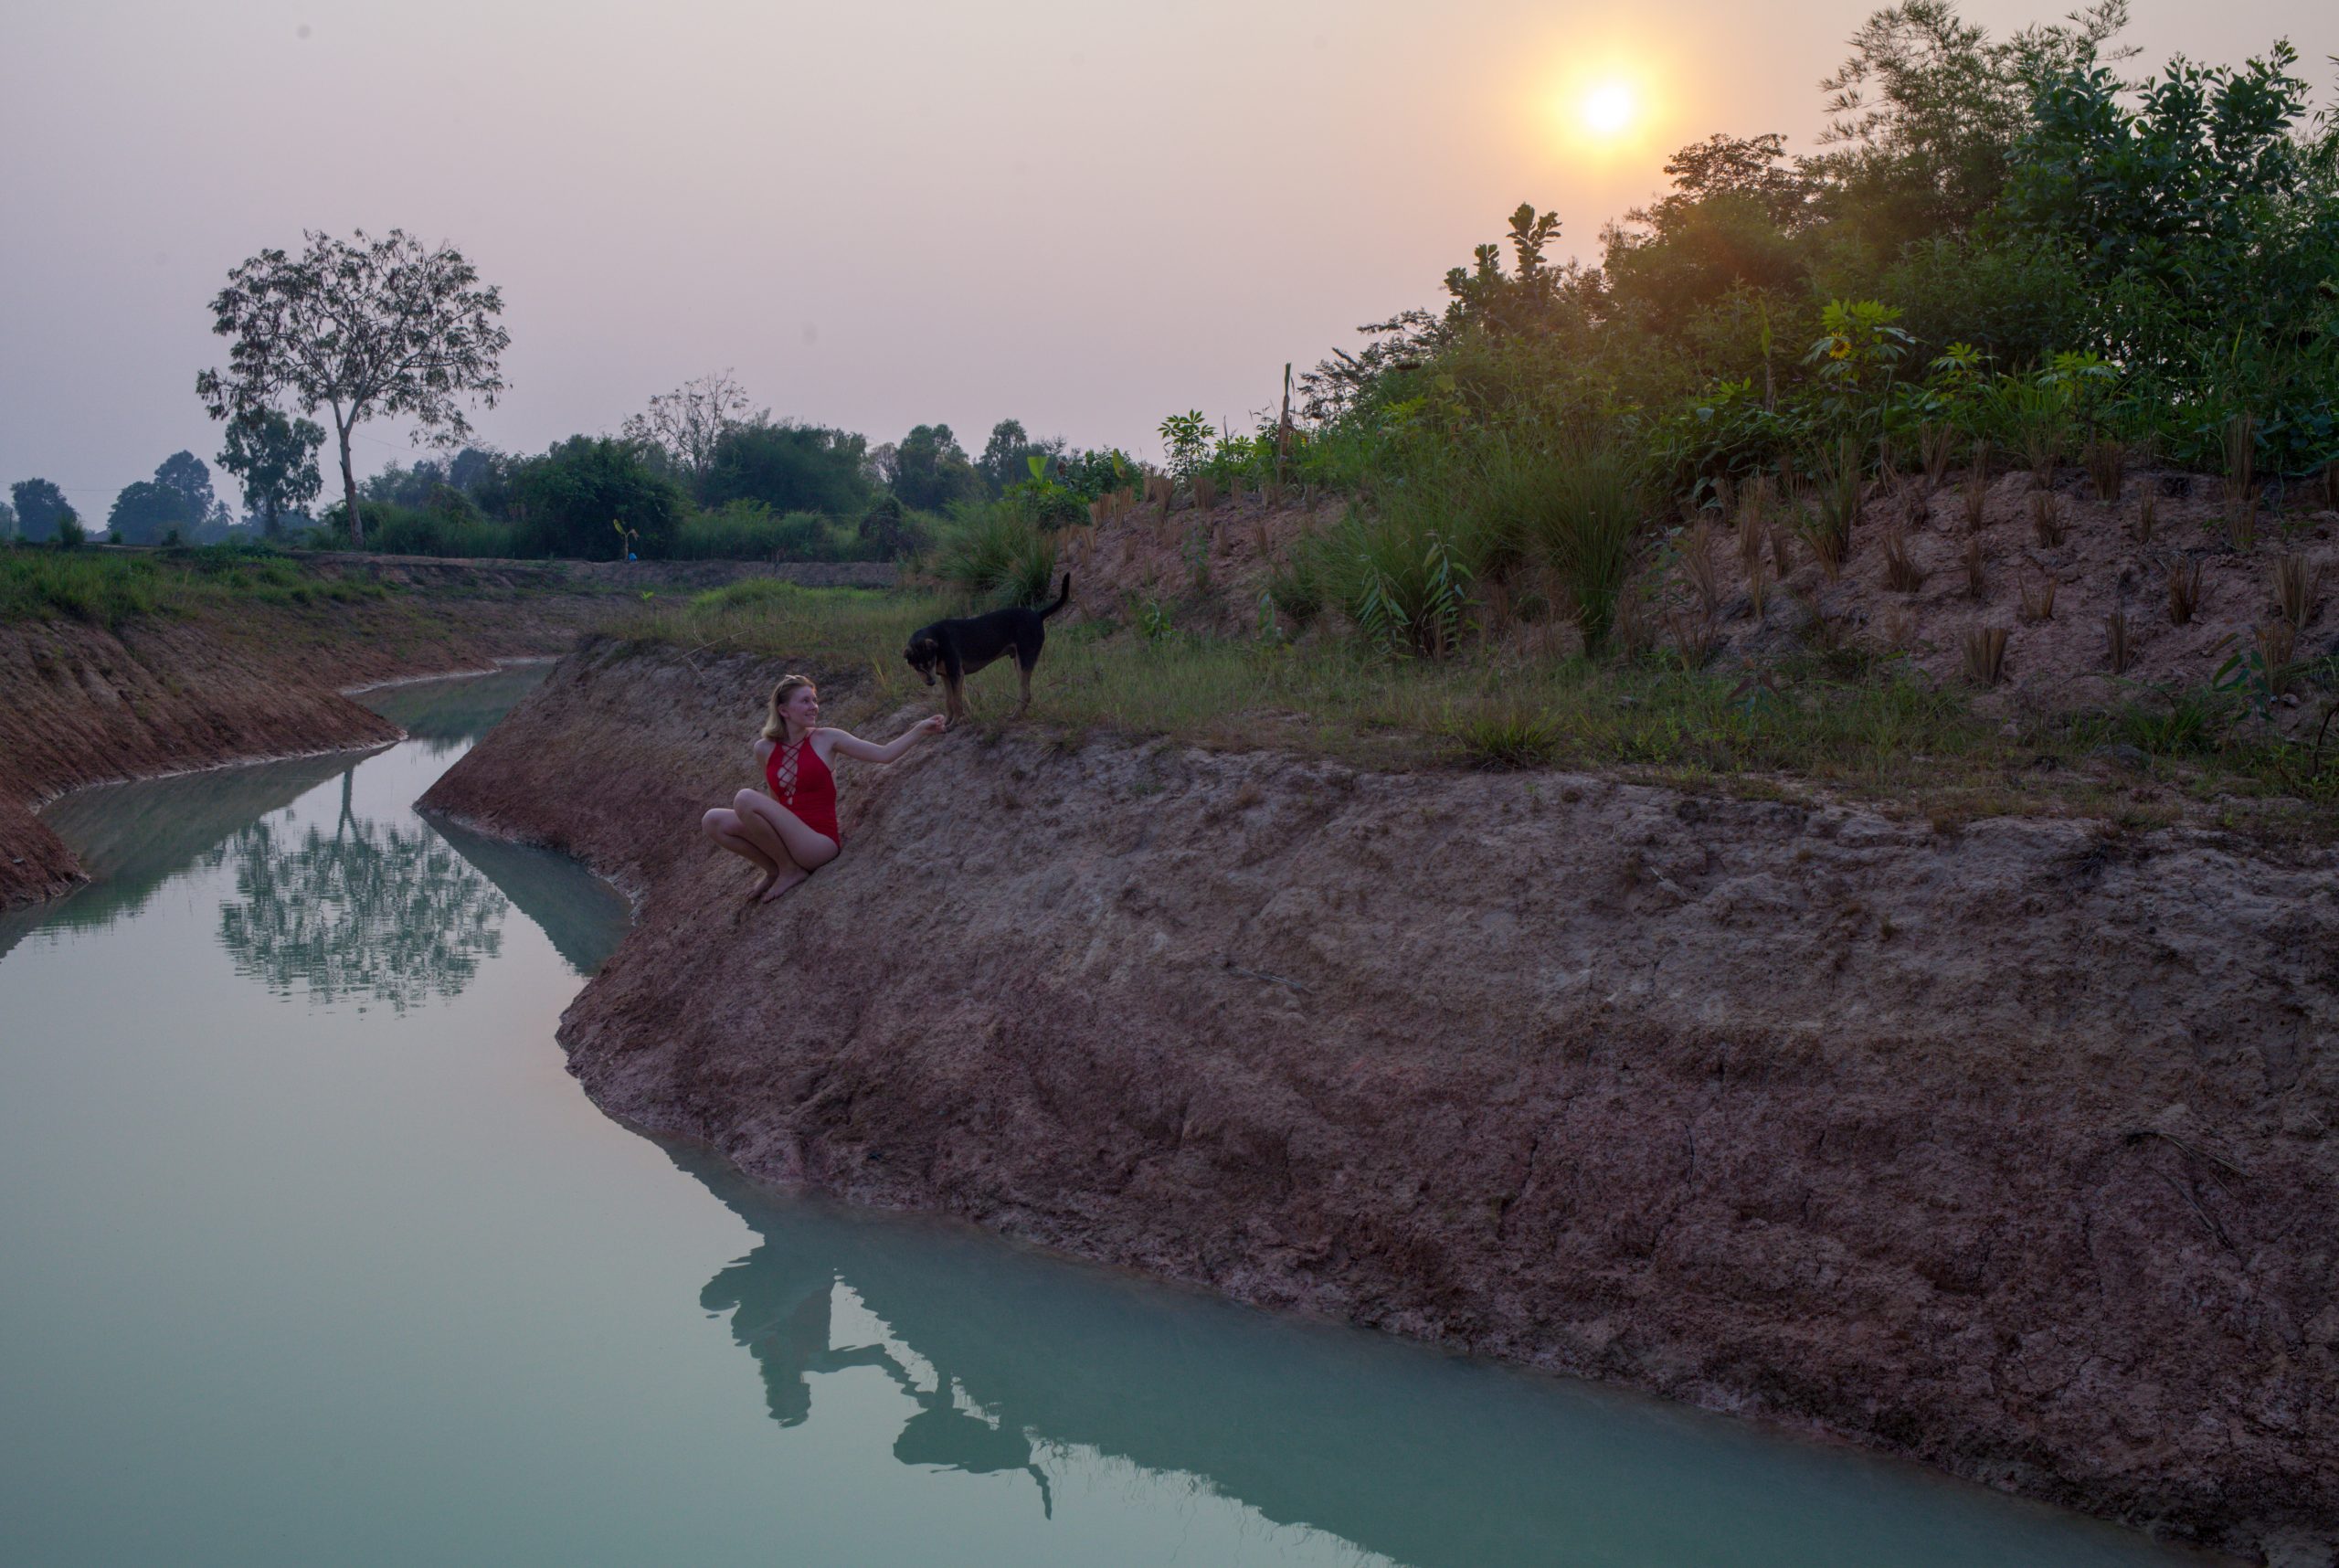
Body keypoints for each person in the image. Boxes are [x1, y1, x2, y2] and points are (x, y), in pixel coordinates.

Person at [702, 675, 946, 902]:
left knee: (744, 797)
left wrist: (919, 730)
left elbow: (883, 754)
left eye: (815, 700)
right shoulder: (763, 749)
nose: (814, 706)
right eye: (805, 701)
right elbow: (775, 800)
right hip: (789, 837)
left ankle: (791, 870)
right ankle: (775, 869)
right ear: (784, 710)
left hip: (817, 843)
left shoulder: (828, 738)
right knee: (712, 820)